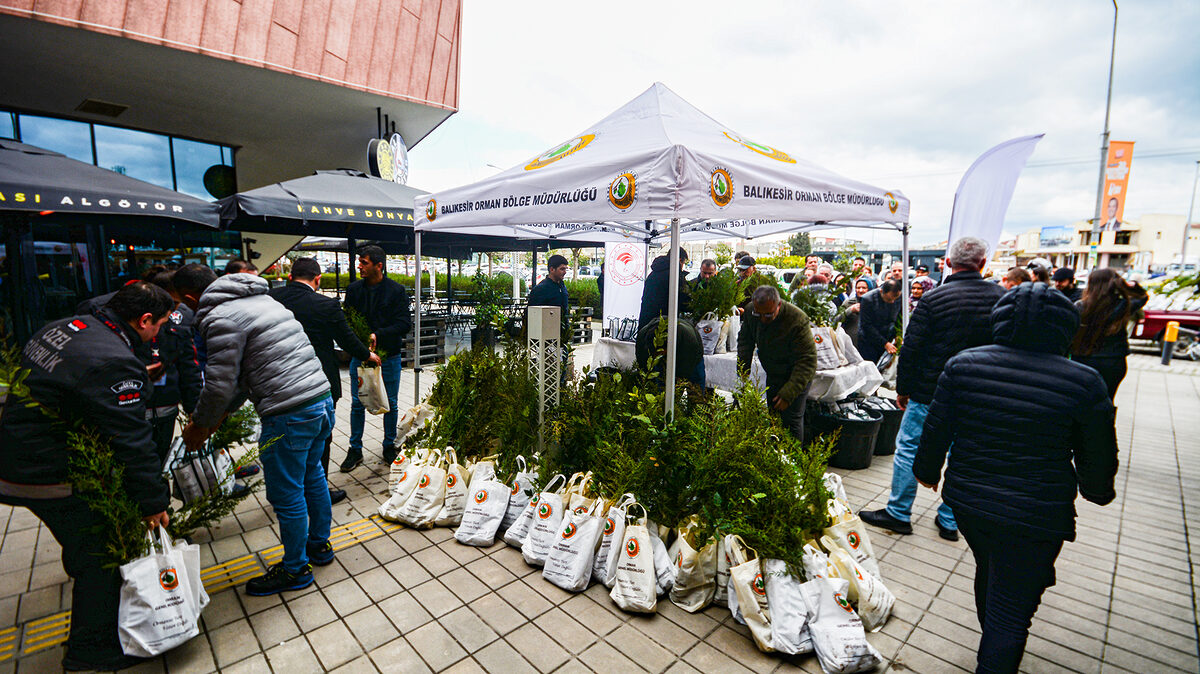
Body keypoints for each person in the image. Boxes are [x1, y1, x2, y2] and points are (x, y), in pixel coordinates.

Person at [912, 283, 1118, 673]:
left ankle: (994, 639)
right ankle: (996, 653)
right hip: (1036, 513)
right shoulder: (1084, 381)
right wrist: (1097, 490)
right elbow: (1098, 454)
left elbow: (937, 427)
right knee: (1010, 609)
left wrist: (926, 472)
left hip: (971, 502)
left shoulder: (965, 364)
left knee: (991, 573)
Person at [0, 282, 173, 671]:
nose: (158, 334)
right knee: (100, 555)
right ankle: (90, 650)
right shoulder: (113, 360)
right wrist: (153, 502)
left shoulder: (67, 326)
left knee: (85, 546)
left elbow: (75, 378)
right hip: (50, 470)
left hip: (22, 455)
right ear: (144, 319)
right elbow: (132, 441)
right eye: (158, 325)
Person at [178, 267, 335, 596]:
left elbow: (219, 385)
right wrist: (222, 415)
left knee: (287, 494)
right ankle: (319, 546)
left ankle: (295, 570)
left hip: (288, 412)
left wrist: (201, 425)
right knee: (312, 475)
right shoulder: (263, 299)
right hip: (320, 398)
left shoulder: (221, 317)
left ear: (191, 298)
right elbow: (240, 378)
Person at [860, 237, 1005, 541]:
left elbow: (913, 347)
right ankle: (950, 519)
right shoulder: (1000, 298)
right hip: (979, 396)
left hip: (930, 392)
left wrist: (904, 388)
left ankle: (899, 512)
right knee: (962, 453)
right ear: (982, 264)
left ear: (949, 263)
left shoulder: (934, 299)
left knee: (910, 447)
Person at [269, 258, 380, 506]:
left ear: (290, 277)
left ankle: (289, 490)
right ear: (318, 279)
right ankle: (318, 490)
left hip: (279, 378)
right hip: (320, 381)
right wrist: (367, 354)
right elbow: (347, 339)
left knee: (285, 438)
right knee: (321, 438)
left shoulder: (272, 299)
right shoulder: (325, 305)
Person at [341, 245, 412, 470]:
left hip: (388, 357)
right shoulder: (353, 290)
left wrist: (377, 334)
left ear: (379, 266)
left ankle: (389, 446)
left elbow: (404, 324)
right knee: (356, 403)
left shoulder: (396, 291)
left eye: (364, 262)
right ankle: (355, 449)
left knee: (389, 403)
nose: (359, 266)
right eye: (359, 262)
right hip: (360, 356)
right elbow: (347, 321)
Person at [737, 286, 818, 442]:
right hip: (774, 372)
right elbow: (745, 340)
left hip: (796, 374)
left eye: (768, 314)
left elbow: (807, 360)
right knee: (774, 418)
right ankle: (776, 458)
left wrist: (789, 393)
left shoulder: (797, 319)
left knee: (791, 420)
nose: (762, 319)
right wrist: (743, 366)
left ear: (779, 305)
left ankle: (793, 462)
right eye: (758, 314)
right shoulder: (751, 311)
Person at [1070, 268, 1148, 399]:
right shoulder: (1123, 305)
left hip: (1083, 358)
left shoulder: (1081, 306)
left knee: (1081, 399)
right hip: (1113, 360)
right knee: (1107, 399)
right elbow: (1143, 297)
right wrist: (1130, 285)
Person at [638, 248, 691, 331]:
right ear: (680, 260)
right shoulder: (674, 274)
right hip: (662, 323)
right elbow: (682, 299)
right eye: (683, 263)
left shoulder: (654, 272)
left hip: (646, 321)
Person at [856, 279, 902, 363]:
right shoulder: (868, 299)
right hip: (869, 340)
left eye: (895, 299)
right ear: (881, 291)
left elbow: (899, 317)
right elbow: (866, 325)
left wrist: (898, 334)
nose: (892, 302)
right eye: (889, 299)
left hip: (888, 336)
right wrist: (885, 343)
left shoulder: (899, 297)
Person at [527, 253, 571, 338]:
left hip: (562, 332)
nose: (565, 272)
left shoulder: (562, 285)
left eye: (566, 269)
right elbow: (532, 314)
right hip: (546, 334)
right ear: (552, 269)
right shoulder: (541, 289)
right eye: (562, 269)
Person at [838, 278, 872, 346]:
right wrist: (850, 310)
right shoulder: (849, 303)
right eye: (858, 288)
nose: (861, 290)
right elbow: (837, 319)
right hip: (852, 342)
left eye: (864, 288)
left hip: (869, 343)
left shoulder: (875, 303)